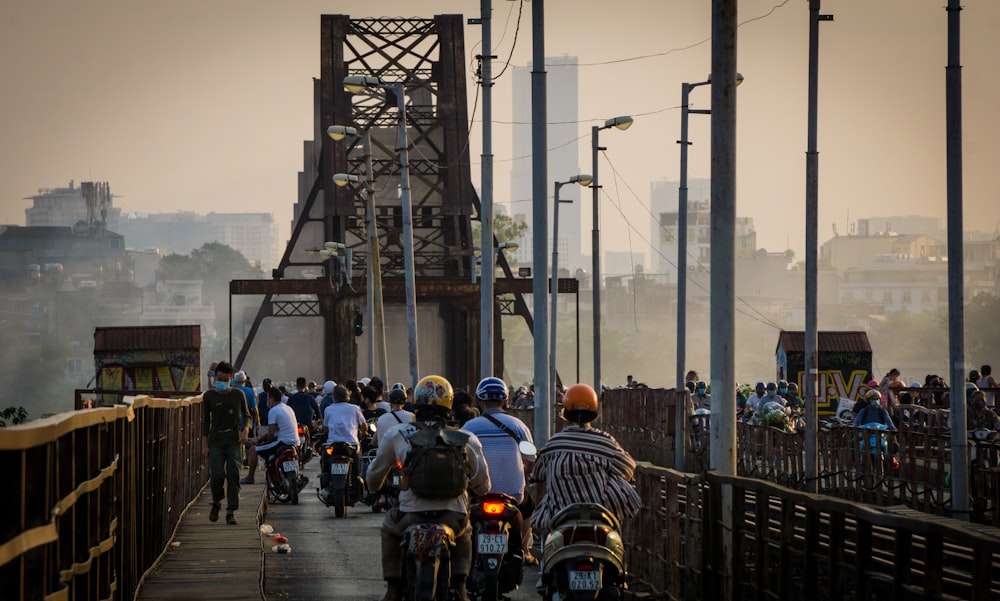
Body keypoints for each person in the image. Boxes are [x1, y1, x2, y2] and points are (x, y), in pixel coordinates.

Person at [366, 375, 490, 601]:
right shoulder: (466, 438)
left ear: (418, 403)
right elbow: (483, 485)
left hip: (410, 515)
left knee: (388, 528)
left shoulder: (399, 434)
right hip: (453, 516)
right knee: (465, 533)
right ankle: (460, 585)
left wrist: (376, 487)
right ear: (449, 404)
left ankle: (393, 587)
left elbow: (373, 477)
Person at [528, 383, 640, 536]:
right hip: (598, 516)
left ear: (565, 412)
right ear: (595, 412)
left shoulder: (554, 443)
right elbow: (628, 468)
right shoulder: (604, 441)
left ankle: (543, 560)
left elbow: (537, 473)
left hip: (560, 517)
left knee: (546, 542)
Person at [463, 377, 537, 563]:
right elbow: (531, 458)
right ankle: (524, 550)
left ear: (480, 401)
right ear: (504, 400)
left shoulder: (470, 427)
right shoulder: (518, 426)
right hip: (513, 495)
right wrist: (523, 475)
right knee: (528, 507)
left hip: (478, 493)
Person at [201, 361, 250, 525]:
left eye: (224, 379)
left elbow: (247, 415)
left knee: (233, 475)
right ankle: (216, 502)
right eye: (219, 378)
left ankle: (231, 511)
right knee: (217, 476)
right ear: (215, 378)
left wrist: (245, 430)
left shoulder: (238, 395)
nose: (221, 382)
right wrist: (205, 445)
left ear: (231, 379)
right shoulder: (209, 396)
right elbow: (205, 422)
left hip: (233, 442)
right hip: (215, 442)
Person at [244, 388, 299, 485]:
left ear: (271, 399)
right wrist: (259, 438)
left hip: (283, 443)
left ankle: (250, 478)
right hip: (295, 442)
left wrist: (261, 441)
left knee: (253, 449)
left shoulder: (273, 411)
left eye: (268, 398)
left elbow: (271, 433)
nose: (267, 400)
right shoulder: (287, 408)